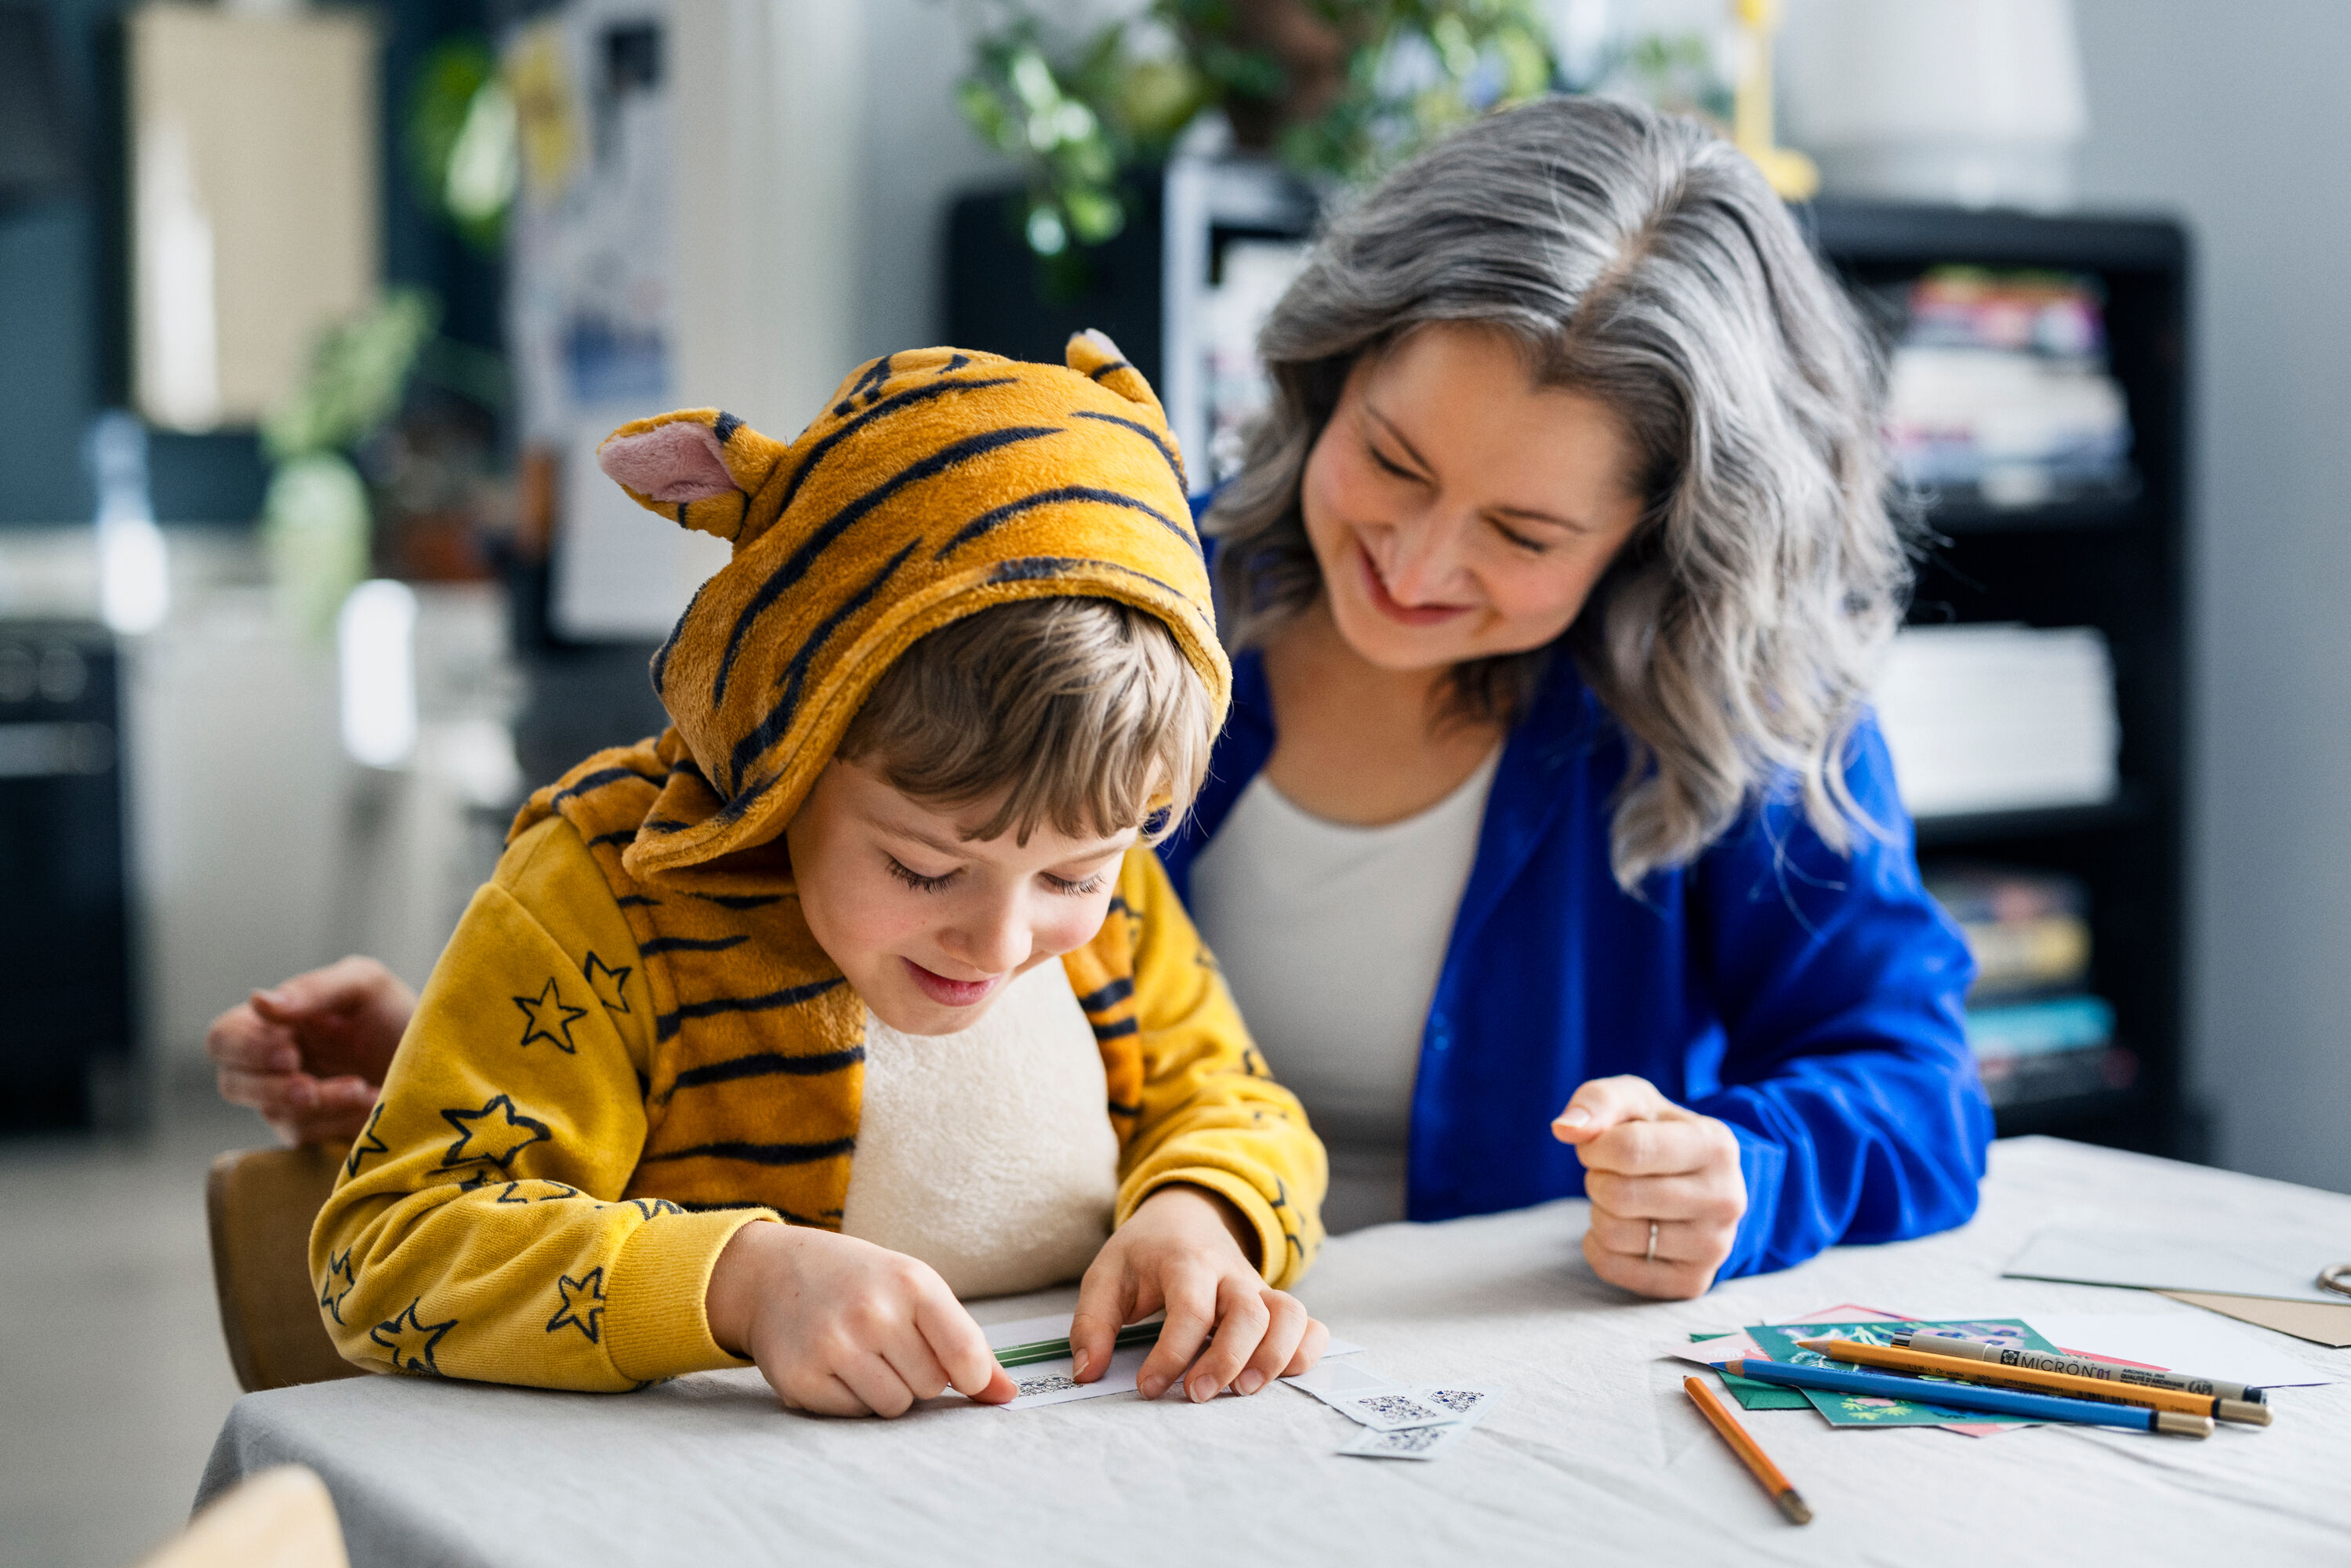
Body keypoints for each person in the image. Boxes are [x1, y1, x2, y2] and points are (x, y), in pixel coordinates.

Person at [218, 96, 1987, 1304]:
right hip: (1055, 1355)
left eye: (1524, 530)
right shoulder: (1100, 610)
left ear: (1656, 539)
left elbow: (1921, 1087)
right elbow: (778, 904)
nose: (1419, 559)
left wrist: (1750, 1169)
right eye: (1388, 457)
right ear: (1327, 370)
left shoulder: (1739, 726)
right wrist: (494, 1031)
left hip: (1491, 1382)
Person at [308, 339, 1327, 1415]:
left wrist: (1201, 1214)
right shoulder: (603, 892)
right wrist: (739, 1283)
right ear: (783, 751)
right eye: (926, 869)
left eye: (1073, 878)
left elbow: (1246, 1108)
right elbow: (392, 1249)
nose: (1000, 942)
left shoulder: (1099, 867)